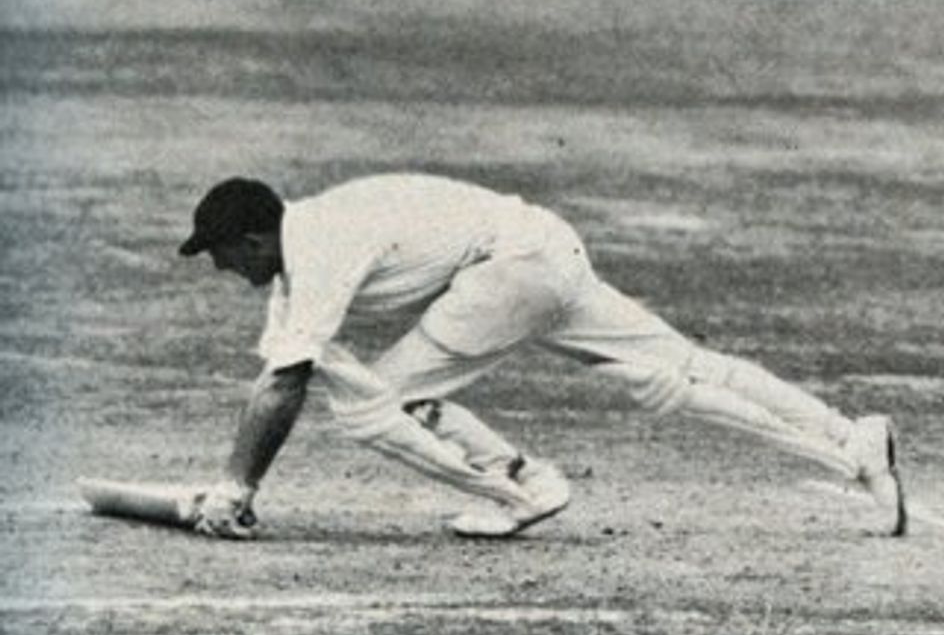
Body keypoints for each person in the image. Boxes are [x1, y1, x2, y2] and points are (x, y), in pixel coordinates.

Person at [175, 173, 906, 540]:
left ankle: (522, 485)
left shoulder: (321, 243)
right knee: (679, 370)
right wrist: (237, 482)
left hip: (508, 269)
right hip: (544, 248)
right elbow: (277, 368)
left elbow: (284, 385)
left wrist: (235, 492)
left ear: (251, 241)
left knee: (378, 405)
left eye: (219, 257)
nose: (220, 272)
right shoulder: (311, 237)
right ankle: (851, 442)